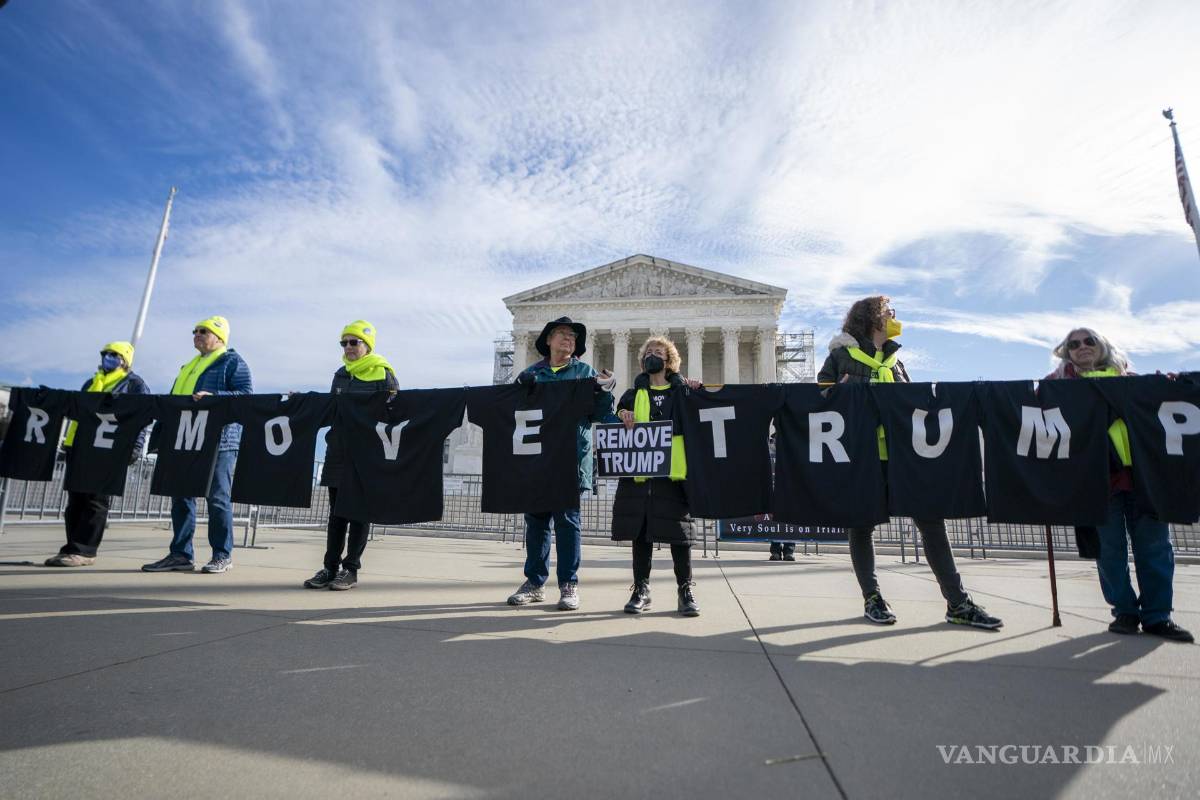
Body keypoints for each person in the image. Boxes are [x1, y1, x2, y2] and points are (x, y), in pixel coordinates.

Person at [817, 295, 1001, 629]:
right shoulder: (841, 357)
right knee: (861, 526)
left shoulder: (896, 362)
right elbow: (819, 400)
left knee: (932, 522)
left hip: (905, 456)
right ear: (872, 319)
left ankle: (957, 602)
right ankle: (872, 597)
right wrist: (837, 394)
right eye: (889, 313)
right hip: (863, 456)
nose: (894, 318)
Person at [1045, 327, 1193, 642]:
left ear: (1103, 346)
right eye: (1073, 344)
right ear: (1066, 352)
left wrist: (1169, 385)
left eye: (1089, 341)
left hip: (1144, 476)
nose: (1081, 347)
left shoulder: (1136, 381)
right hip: (1097, 481)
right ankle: (1124, 612)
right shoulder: (1059, 386)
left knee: (1155, 548)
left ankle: (1158, 616)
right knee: (1109, 552)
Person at [506, 316, 615, 611]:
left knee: (567, 523)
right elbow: (512, 412)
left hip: (570, 459)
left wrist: (606, 391)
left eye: (573, 337)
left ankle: (569, 584)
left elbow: (598, 414)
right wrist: (519, 390)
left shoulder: (584, 372)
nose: (569, 340)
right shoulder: (532, 373)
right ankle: (535, 582)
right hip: (538, 459)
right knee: (536, 522)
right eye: (563, 335)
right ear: (549, 341)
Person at [142, 316, 252, 574]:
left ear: (220, 337)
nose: (197, 334)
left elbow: (246, 395)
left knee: (217, 497)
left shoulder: (232, 362)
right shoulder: (188, 366)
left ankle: (222, 555)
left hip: (220, 441)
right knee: (181, 496)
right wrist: (160, 434)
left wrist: (216, 398)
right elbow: (173, 401)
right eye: (195, 331)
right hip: (184, 440)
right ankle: (180, 554)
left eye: (204, 331)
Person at [304, 321, 399, 591]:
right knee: (336, 515)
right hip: (339, 450)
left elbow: (393, 413)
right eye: (343, 343)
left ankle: (350, 569)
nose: (348, 347)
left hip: (367, 453)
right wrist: (303, 401)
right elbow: (331, 407)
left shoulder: (384, 374)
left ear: (367, 345)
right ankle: (329, 568)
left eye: (353, 342)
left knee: (358, 514)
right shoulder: (340, 374)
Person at [613, 336, 703, 616]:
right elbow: (617, 416)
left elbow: (701, 419)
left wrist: (697, 392)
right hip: (639, 472)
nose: (653, 355)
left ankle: (685, 590)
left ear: (670, 360)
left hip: (673, 473)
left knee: (679, 534)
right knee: (640, 535)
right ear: (642, 361)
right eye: (648, 352)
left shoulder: (683, 392)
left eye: (659, 352)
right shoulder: (632, 393)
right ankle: (641, 589)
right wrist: (623, 414)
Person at [44, 341, 150, 567]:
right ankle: (71, 547)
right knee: (76, 500)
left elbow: (142, 418)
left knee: (95, 500)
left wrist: (135, 447)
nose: (108, 357)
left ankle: (86, 550)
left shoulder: (134, 384)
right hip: (79, 446)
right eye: (106, 354)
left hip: (107, 448)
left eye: (115, 354)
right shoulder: (91, 382)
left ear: (125, 360)